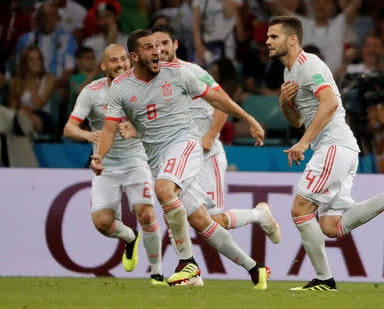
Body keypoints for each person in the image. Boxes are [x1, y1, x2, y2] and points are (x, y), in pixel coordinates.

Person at [90, 29, 269, 289]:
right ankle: (254, 268)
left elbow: (218, 98)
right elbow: (108, 128)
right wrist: (99, 156)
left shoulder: (179, 73)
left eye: (158, 46)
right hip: (157, 159)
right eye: (149, 47)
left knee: (163, 190)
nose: (157, 51)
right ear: (134, 56)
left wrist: (250, 119)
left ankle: (187, 263)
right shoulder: (120, 87)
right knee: (200, 220)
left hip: (185, 145)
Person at [266, 16, 384, 291]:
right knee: (331, 226)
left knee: (299, 210)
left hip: (333, 146)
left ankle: (324, 280)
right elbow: (295, 120)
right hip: (339, 149)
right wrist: (284, 101)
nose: (267, 41)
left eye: (274, 37)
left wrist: (304, 143)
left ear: (292, 39)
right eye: (268, 37)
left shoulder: (309, 65)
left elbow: (330, 103)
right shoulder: (289, 73)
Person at [120, 24, 281, 242]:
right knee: (173, 215)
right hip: (180, 157)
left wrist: (211, 135)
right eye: (156, 45)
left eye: (165, 43)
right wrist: (135, 131)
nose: (161, 49)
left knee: (213, 221)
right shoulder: (153, 81)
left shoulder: (191, 72)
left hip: (206, 155)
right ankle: (189, 269)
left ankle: (259, 215)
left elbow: (222, 101)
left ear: (175, 45)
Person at [63, 44, 166, 285]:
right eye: (113, 61)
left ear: (130, 61)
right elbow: (69, 128)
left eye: (123, 59)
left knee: (146, 214)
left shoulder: (146, 89)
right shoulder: (91, 92)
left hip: (137, 160)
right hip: (105, 165)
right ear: (103, 66)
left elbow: (160, 126)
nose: (120, 64)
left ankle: (157, 273)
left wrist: (136, 131)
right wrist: (89, 135)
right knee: (102, 223)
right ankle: (130, 238)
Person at [9, 46, 56, 135]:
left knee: (22, 115)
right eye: (31, 60)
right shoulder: (16, 81)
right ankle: (28, 134)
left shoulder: (50, 79)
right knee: (19, 115)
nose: (36, 63)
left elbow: (39, 105)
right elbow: (12, 108)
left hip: (43, 117)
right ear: (24, 63)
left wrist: (31, 82)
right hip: (20, 114)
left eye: (38, 59)